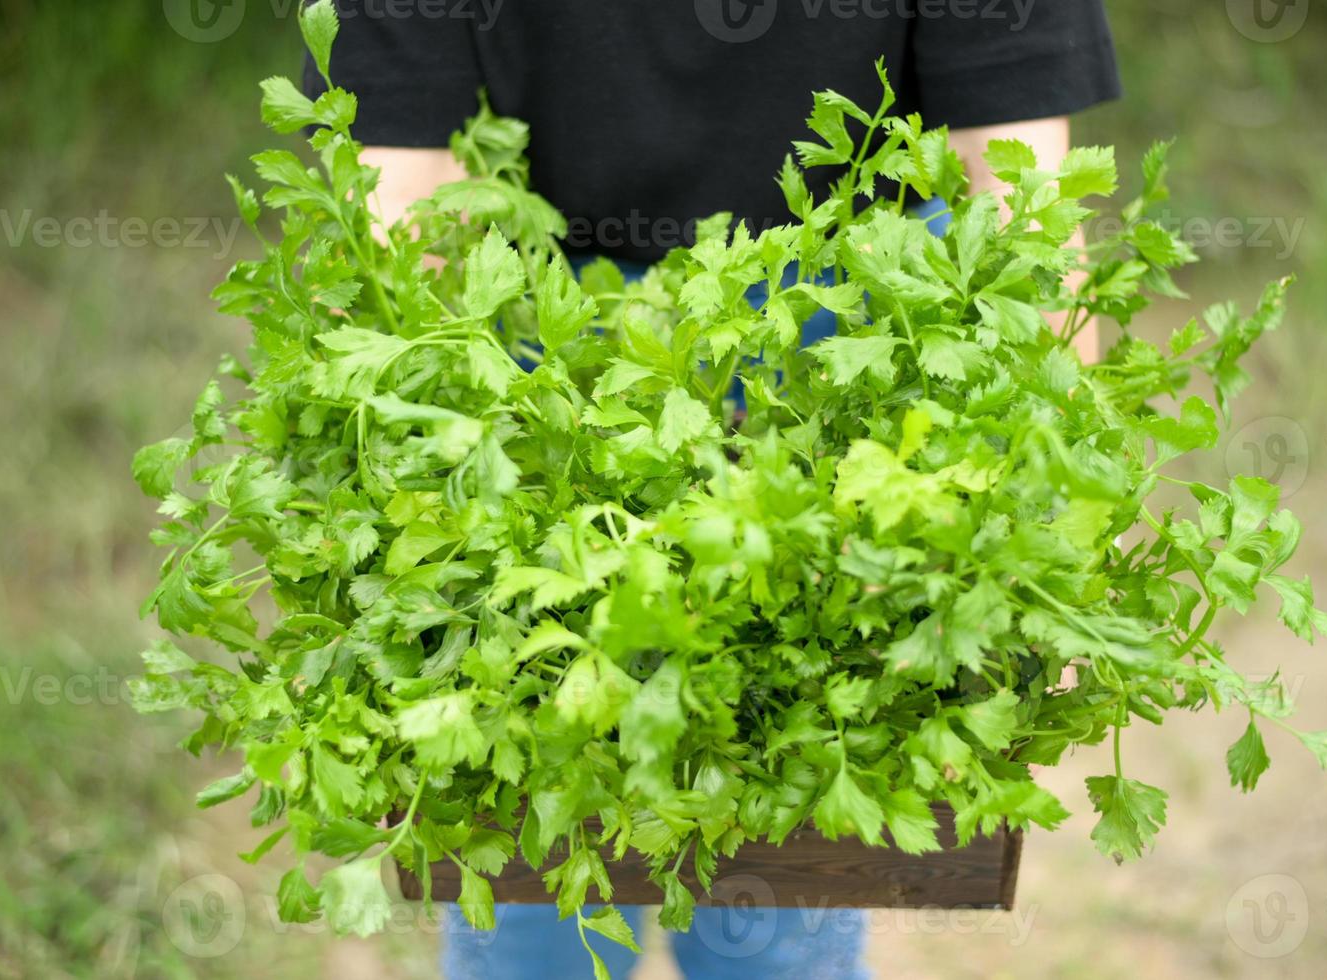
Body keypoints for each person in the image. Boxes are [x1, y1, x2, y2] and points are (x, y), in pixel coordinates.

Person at [308, 3, 1119, 977]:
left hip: (851, 340)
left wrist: (1053, 546)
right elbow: (404, 201)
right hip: (528, 354)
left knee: (779, 880)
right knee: (526, 869)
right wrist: (386, 516)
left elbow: (1024, 203)